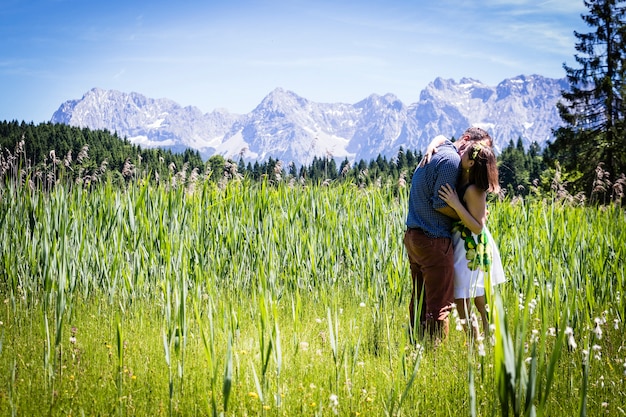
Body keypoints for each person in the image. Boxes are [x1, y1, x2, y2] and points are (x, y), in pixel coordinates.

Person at [403, 127, 492, 341]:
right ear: (467, 140)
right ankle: (434, 354)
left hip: (413, 236)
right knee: (440, 304)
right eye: (478, 150)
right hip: (433, 238)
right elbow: (441, 203)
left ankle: (417, 342)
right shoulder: (451, 161)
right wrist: (469, 216)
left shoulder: (437, 151)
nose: (479, 157)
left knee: (420, 298)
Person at [438, 142, 505, 337]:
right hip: (464, 244)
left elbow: (477, 226)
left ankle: (478, 344)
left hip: (472, 248)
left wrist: (455, 204)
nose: (460, 151)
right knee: (474, 296)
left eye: (464, 151)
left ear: (470, 162)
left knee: (466, 297)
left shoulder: (474, 190)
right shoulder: (463, 181)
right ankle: (483, 339)